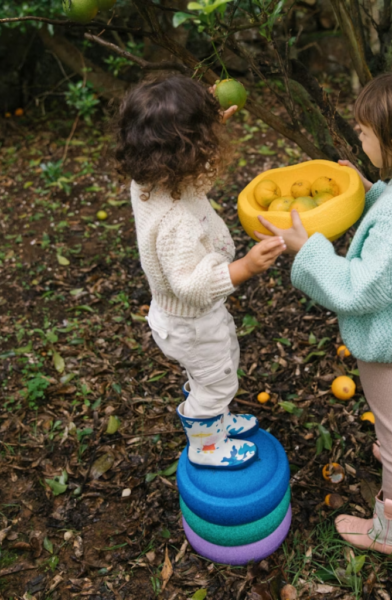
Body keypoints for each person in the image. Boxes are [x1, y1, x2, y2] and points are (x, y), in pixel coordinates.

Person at [257, 68, 392, 555]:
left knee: (391, 430)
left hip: (387, 336)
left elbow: (357, 289)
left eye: (364, 131)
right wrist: (366, 188)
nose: (358, 135)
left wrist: (307, 249)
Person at [116, 75, 285, 470]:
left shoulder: (150, 178)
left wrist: (205, 122)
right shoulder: (176, 221)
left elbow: (196, 175)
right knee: (217, 381)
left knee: (219, 368)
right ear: (188, 151)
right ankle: (205, 445)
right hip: (192, 320)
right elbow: (192, 285)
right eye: (205, 140)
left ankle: (217, 419)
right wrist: (245, 266)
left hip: (185, 318)